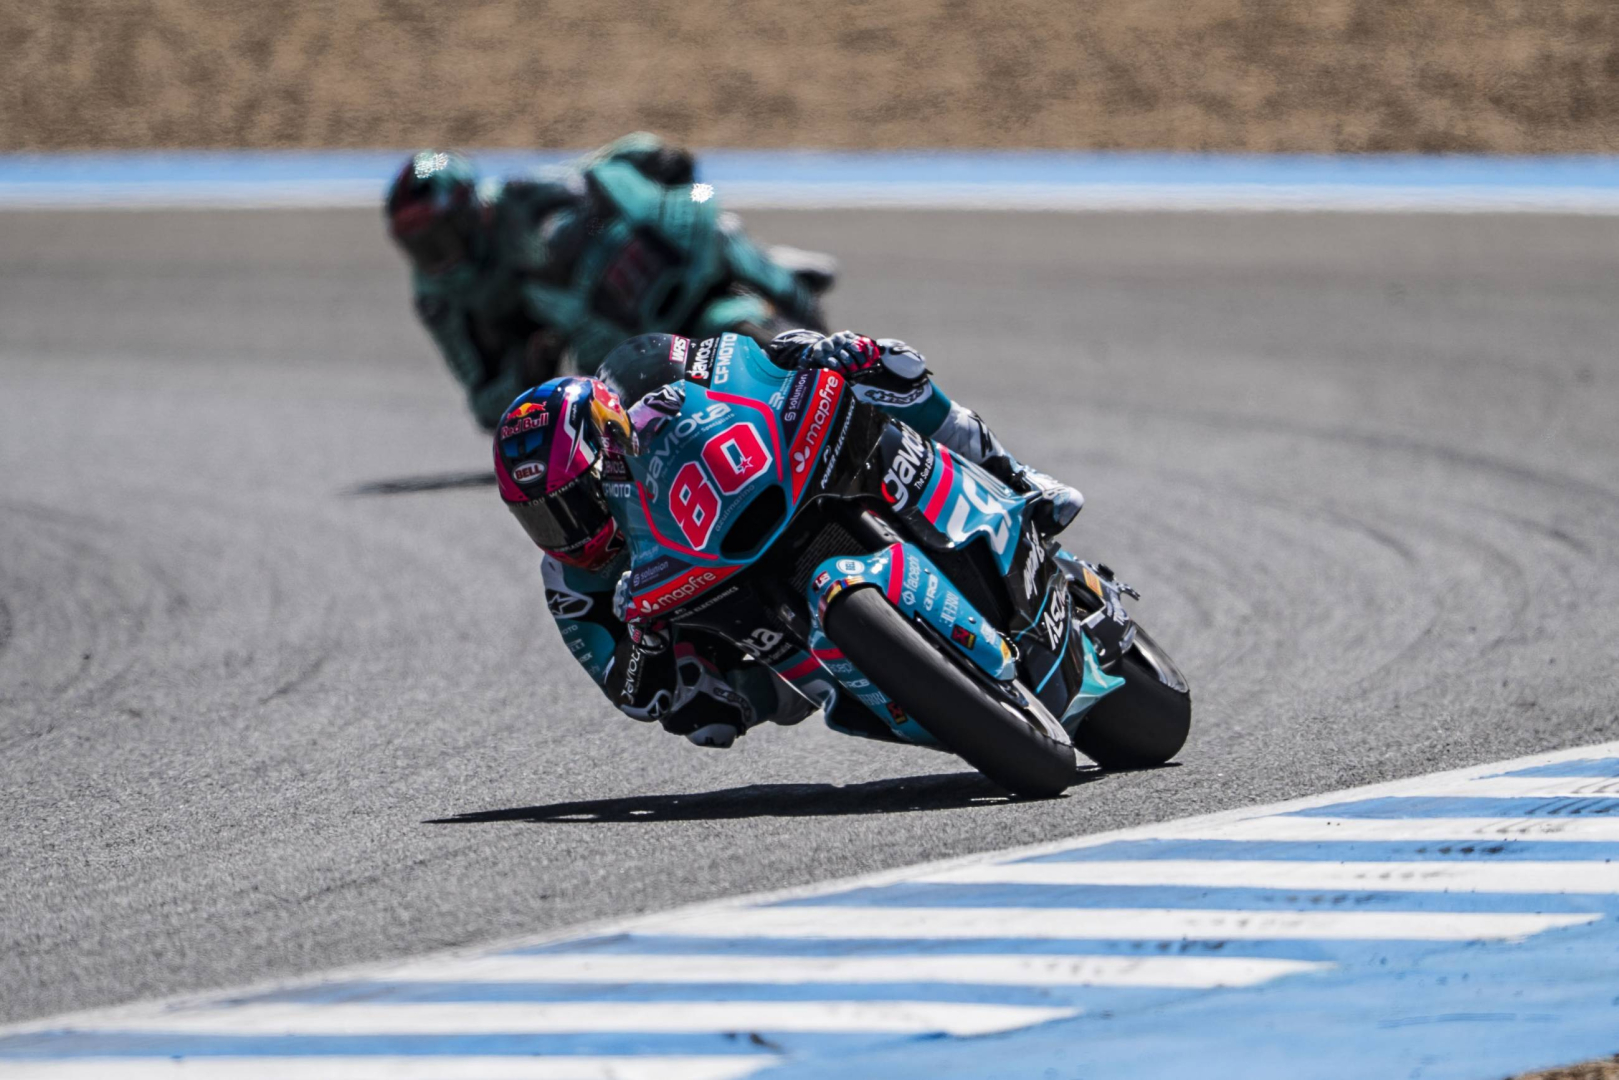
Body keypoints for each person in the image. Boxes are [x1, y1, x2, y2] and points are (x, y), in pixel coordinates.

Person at [494, 331, 1083, 749]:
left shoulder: (647, 403)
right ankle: (807, 684)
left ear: (608, 447)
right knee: (699, 713)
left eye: (570, 505)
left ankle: (1017, 477)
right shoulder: (569, 584)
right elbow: (627, 693)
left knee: (884, 366)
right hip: (705, 598)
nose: (564, 534)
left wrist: (800, 353)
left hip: (748, 500)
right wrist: (646, 642)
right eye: (538, 519)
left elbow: (731, 358)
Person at [384, 134, 832, 431]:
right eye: (419, 246)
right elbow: (485, 404)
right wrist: (531, 363)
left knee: (718, 222)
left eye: (438, 239)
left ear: (470, 214)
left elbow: (591, 171)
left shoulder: (519, 198)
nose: (433, 257)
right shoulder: (437, 299)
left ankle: (795, 301)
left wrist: (651, 154)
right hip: (571, 335)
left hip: (629, 286)